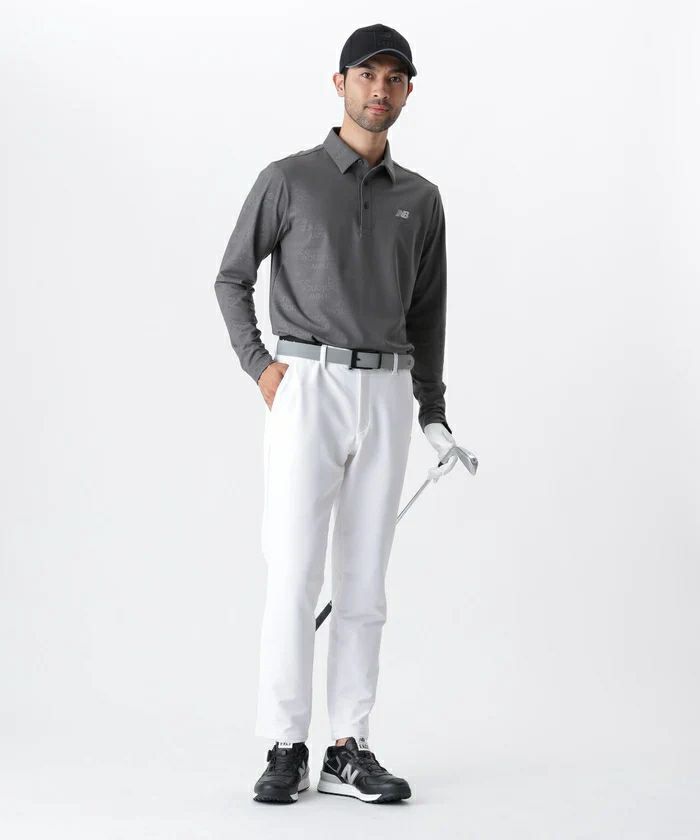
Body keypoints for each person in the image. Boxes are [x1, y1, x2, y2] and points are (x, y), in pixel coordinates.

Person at [215, 22, 461, 805]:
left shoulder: (421, 200)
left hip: (386, 391)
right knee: (293, 569)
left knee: (364, 581)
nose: (379, 90)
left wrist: (432, 410)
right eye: (366, 75)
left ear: (408, 91)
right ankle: (285, 742)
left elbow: (427, 314)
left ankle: (348, 746)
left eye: (394, 78)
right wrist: (261, 367)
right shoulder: (288, 179)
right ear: (339, 83)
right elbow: (232, 277)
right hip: (307, 387)